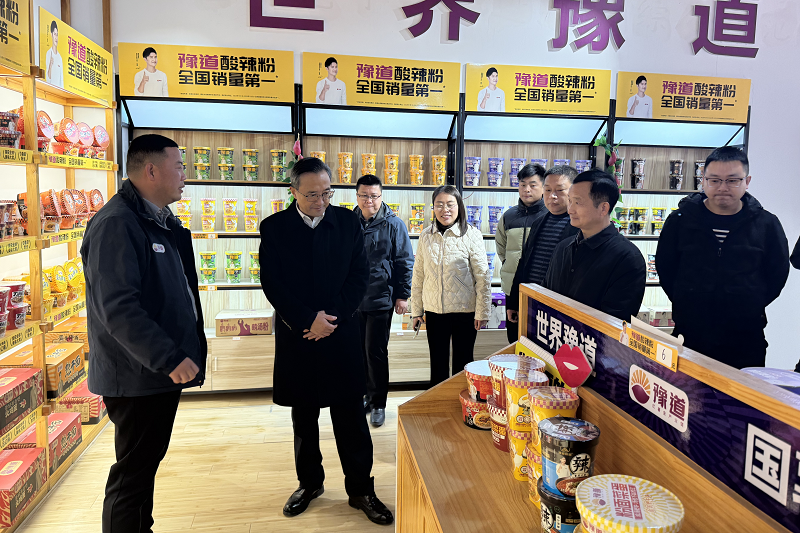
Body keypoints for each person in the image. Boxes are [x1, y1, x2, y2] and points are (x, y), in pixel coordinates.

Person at [81, 134, 206, 533]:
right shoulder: (117, 223)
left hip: (152, 373)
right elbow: (118, 308)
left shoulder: (155, 218)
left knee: (143, 464)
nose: (185, 175)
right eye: (179, 166)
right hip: (137, 375)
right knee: (132, 474)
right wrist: (168, 356)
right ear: (151, 171)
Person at [259, 158, 393, 526]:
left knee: (351, 418)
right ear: (294, 192)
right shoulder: (274, 228)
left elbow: (359, 276)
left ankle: (361, 489)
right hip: (298, 335)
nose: (321, 201)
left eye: (327, 193)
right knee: (304, 418)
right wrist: (307, 320)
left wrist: (328, 319)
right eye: (312, 195)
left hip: (340, 332)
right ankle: (309, 483)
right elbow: (272, 283)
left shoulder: (347, 222)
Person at [655, 147, 790, 369]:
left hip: (745, 339)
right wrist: (687, 300)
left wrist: (748, 303)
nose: (722, 187)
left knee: (741, 391)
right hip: (690, 335)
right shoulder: (680, 221)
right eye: (715, 180)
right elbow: (666, 269)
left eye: (732, 180)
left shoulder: (766, 224)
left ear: (747, 181)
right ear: (703, 180)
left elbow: (777, 274)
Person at [410, 185, 491, 387]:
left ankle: (461, 401)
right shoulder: (426, 235)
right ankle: (438, 401)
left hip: (465, 311)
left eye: (450, 204)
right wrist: (416, 311)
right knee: (437, 362)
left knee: (463, 362)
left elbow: (483, 277)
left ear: (459, 207)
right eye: (439, 205)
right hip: (434, 310)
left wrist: (482, 312)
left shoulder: (471, 234)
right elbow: (418, 275)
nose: (444, 210)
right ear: (433, 207)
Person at [544, 169, 646, 323]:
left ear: (603, 208)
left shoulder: (628, 258)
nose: (570, 209)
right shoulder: (563, 247)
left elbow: (616, 322)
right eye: (570, 201)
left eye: (577, 202)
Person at [353, 174, 414, 428]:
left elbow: (404, 261)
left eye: (374, 196)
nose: (369, 200)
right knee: (358, 351)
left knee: (375, 351)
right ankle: (365, 396)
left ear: (381, 196)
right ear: (357, 196)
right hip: (353, 300)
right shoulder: (349, 222)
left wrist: (402, 295)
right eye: (364, 195)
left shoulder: (394, 224)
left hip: (381, 298)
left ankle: (379, 403)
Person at [508, 165, 579, 326]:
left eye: (559, 190)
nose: (552, 196)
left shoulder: (580, 226)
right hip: (531, 302)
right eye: (547, 190)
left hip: (560, 309)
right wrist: (514, 301)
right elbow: (523, 264)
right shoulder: (539, 222)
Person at [496, 163, 546, 343]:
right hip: (513, 289)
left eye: (533, 185)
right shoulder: (508, 216)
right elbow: (501, 248)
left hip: (542, 289)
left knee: (539, 341)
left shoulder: (549, 216)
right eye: (523, 185)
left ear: (543, 186)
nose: (527, 190)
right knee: (514, 340)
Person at [45, 20, 63, 88]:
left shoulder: (60, 58)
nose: (56, 37)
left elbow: (61, 80)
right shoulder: (48, 53)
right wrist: (50, 65)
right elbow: (48, 79)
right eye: (55, 34)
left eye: (57, 34)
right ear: (51, 35)